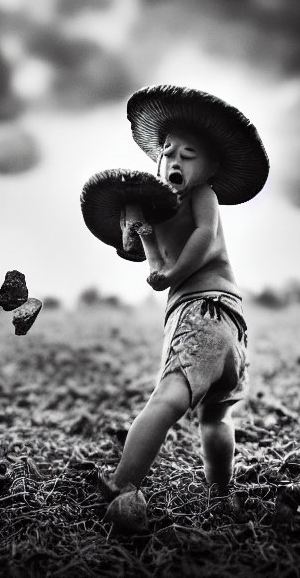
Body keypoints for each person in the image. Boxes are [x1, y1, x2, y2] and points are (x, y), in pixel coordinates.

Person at [103, 85, 269, 531]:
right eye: (168, 151)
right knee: (216, 414)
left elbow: (204, 239)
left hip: (200, 312)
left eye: (189, 154)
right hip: (230, 323)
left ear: (211, 167)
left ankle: (124, 481)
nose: (174, 161)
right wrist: (135, 227)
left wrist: (173, 276)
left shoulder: (203, 197)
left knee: (168, 397)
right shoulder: (159, 211)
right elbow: (144, 256)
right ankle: (221, 493)